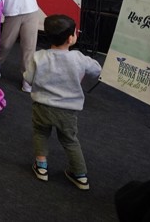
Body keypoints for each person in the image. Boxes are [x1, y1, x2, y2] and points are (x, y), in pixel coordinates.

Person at [24, 14, 101, 191]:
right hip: (67, 110)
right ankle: (80, 175)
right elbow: (97, 70)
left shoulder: (38, 57)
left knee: (40, 133)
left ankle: (41, 167)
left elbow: (28, 79)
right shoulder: (78, 58)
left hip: (42, 107)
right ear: (70, 38)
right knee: (70, 140)